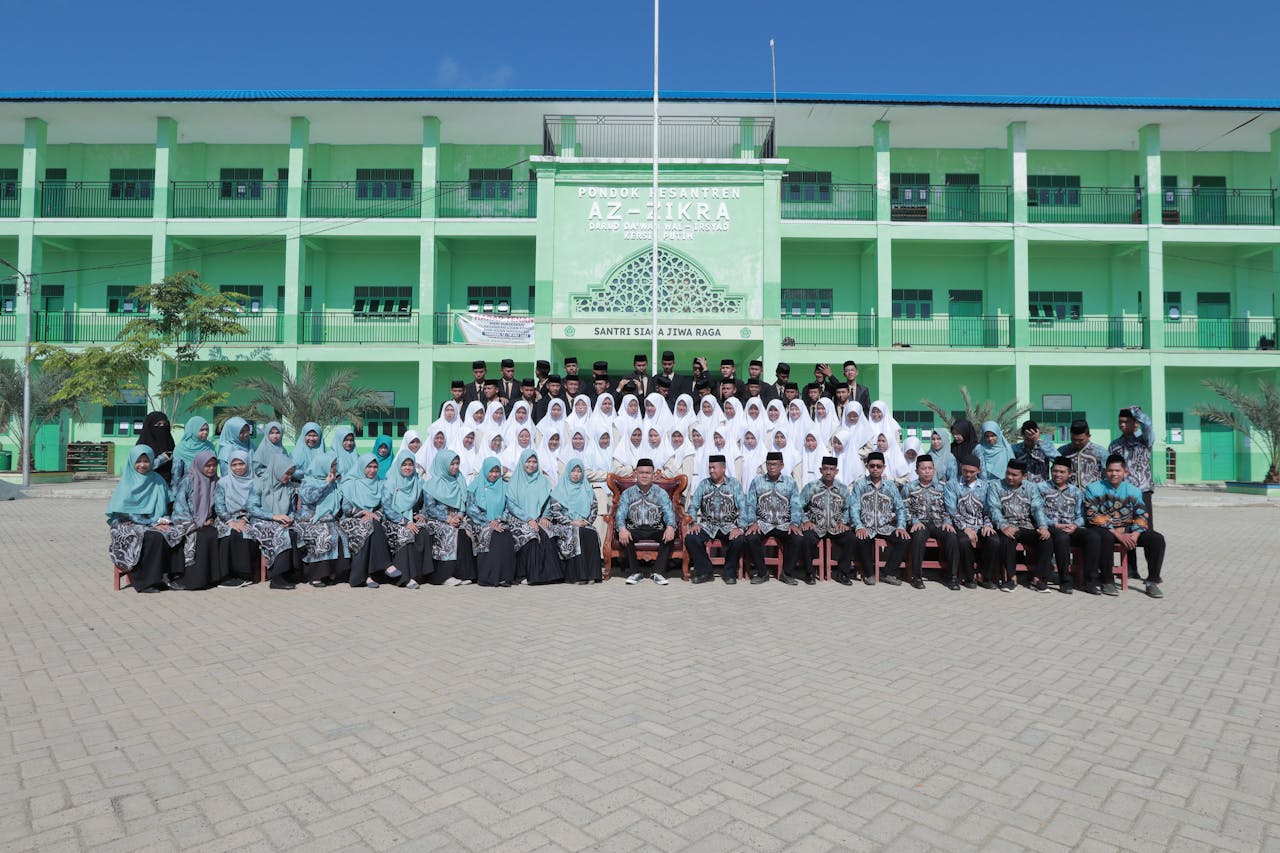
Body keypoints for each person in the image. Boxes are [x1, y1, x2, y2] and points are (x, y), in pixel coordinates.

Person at [1085, 454, 1166, 599]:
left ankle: (1152, 581)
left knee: (1157, 539)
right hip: (1106, 529)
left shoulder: (1134, 491)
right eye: (1110, 470)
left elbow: (1142, 515)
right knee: (1104, 536)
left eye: (1118, 471)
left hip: (1128, 530)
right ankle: (1107, 581)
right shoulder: (1093, 488)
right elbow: (1092, 515)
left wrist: (1135, 534)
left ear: (1125, 472)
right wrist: (1117, 534)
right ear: (1105, 471)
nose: (1114, 474)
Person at [107, 445, 183, 594]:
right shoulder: (127, 481)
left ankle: (170, 577)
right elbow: (126, 513)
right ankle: (145, 582)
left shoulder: (157, 479)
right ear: (132, 462)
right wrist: (152, 524)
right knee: (152, 537)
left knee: (176, 531)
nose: (142, 465)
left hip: (153, 521)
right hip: (126, 524)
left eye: (146, 461)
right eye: (139, 461)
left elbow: (165, 506)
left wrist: (163, 521)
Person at [1039, 457, 1107, 595]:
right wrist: (1056, 525)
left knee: (1093, 536)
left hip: (1072, 527)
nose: (1058, 474)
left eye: (1062, 472)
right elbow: (1038, 512)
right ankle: (1065, 580)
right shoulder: (1041, 488)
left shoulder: (1076, 491)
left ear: (1069, 474)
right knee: (1062, 538)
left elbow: (1082, 515)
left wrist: (1075, 525)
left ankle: (1090, 581)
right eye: (1055, 471)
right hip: (1052, 527)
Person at [985, 459, 1053, 593]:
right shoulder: (996, 486)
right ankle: (1011, 579)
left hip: (1027, 526)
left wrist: (1043, 526)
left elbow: (1037, 508)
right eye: (1008, 473)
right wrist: (1003, 526)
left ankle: (1037, 579)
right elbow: (994, 509)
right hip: (1007, 525)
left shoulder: (1031, 487)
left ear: (1024, 476)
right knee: (1006, 539)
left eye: (1014, 475)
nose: (1010, 477)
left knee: (1047, 540)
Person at [338, 453, 405, 588]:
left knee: (372, 525)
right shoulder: (350, 484)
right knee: (368, 527)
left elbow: (384, 506)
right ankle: (385, 566)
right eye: (369, 467)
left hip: (373, 518)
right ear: (362, 467)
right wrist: (363, 512)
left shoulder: (380, 483)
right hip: (351, 519)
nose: (372, 470)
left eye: (375, 467)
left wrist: (375, 514)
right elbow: (346, 508)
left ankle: (368, 576)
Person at [743, 451, 805, 585]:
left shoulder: (790, 482)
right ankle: (762, 573)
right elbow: (750, 504)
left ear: (782, 465)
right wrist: (752, 522)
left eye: (775, 464)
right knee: (751, 537)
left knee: (797, 538)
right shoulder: (757, 481)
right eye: (769, 464)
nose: (771, 467)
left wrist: (794, 523)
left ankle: (786, 573)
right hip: (763, 523)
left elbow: (796, 505)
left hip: (784, 523)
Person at [685, 453, 748, 584]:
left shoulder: (734, 484)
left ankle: (729, 573)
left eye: (714, 467)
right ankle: (705, 572)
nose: (711, 470)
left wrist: (741, 528)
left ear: (723, 468)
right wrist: (694, 523)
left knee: (739, 540)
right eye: (710, 468)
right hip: (707, 525)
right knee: (691, 538)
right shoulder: (704, 484)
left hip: (728, 525)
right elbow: (693, 506)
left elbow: (743, 508)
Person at [849, 451, 910, 586]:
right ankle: (869, 574)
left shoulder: (890, 486)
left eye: (878, 466)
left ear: (884, 467)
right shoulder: (860, 485)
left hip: (885, 526)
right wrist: (859, 526)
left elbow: (900, 508)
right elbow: (854, 508)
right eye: (872, 466)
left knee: (904, 540)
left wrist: (900, 526)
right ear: (867, 466)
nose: (875, 469)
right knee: (860, 538)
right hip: (867, 525)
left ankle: (887, 573)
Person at [900, 454, 960, 590]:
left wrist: (946, 521)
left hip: (938, 523)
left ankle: (953, 577)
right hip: (919, 522)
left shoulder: (942, 487)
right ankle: (917, 577)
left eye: (930, 468)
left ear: (934, 470)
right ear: (917, 471)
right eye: (923, 469)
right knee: (919, 535)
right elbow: (904, 509)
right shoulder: (909, 488)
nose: (927, 471)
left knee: (952, 536)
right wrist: (914, 521)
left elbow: (948, 507)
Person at [505, 450, 564, 585]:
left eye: (534, 462)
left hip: (539, 517)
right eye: (528, 461)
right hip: (518, 518)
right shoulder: (515, 481)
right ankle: (525, 575)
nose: (531, 465)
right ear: (522, 463)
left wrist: (546, 517)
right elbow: (512, 505)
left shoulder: (544, 481)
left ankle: (550, 575)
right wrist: (528, 519)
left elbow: (550, 502)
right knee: (530, 534)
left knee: (548, 533)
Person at [614, 458, 676, 585]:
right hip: (634, 528)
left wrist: (670, 526)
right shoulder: (627, 493)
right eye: (641, 472)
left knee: (669, 536)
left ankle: (657, 572)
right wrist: (622, 528)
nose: (644, 475)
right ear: (636, 473)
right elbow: (620, 513)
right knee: (625, 536)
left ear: (653, 475)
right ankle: (636, 572)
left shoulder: (661, 492)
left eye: (648, 473)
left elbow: (669, 511)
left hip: (655, 528)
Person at [421, 450, 477, 586]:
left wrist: (459, 515)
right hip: (436, 519)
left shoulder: (459, 480)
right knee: (448, 532)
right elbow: (429, 508)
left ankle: (463, 573)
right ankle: (443, 576)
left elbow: (464, 503)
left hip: (456, 517)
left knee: (465, 532)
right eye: (452, 464)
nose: (455, 467)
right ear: (443, 464)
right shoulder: (431, 484)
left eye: (457, 463)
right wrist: (447, 519)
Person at [247, 454, 303, 589]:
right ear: (277, 469)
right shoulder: (259, 483)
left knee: (297, 531)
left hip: (281, 520)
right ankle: (277, 577)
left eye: (291, 474)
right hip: (261, 521)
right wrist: (274, 516)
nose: (289, 477)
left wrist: (290, 518)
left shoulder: (289, 487)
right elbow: (251, 508)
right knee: (281, 534)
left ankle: (292, 572)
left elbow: (290, 509)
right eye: (287, 474)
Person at [799, 455, 856, 585]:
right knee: (806, 538)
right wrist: (805, 521)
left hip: (836, 527)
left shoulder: (842, 488)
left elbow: (848, 508)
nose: (828, 472)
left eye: (831, 469)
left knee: (851, 538)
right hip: (816, 526)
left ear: (836, 471)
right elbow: (798, 506)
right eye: (825, 469)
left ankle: (842, 573)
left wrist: (844, 522)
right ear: (820, 470)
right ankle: (809, 573)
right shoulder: (811, 487)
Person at [170, 449, 222, 590]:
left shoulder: (216, 482)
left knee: (215, 533)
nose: (211, 469)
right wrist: (196, 523)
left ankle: (211, 578)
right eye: (207, 465)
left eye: (213, 465)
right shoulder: (188, 481)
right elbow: (180, 506)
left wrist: (211, 519)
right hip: (185, 521)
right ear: (199, 465)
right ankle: (191, 580)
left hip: (206, 521)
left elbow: (218, 506)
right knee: (200, 536)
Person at [944, 454, 998, 588]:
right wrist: (965, 528)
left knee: (994, 540)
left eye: (972, 472)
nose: (968, 474)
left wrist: (987, 525)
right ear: (961, 468)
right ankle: (969, 577)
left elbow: (989, 509)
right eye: (965, 471)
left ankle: (984, 577)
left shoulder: (986, 486)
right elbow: (951, 510)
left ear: (979, 470)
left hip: (980, 524)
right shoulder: (952, 484)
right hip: (960, 524)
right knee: (963, 541)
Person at [383, 450, 433, 588]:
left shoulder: (418, 481)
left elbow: (426, 503)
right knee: (405, 533)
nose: (407, 467)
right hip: (392, 520)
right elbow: (387, 508)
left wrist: (422, 514)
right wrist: (405, 522)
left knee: (423, 530)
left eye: (410, 464)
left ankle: (419, 574)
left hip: (411, 517)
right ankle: (403, 578)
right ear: (399, 465)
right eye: (404, 464)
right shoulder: (390, 482)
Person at [548, 459, 603, 584]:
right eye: (573, 471)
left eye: (579, 471)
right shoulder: (559, 490)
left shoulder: (587, 489)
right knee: (577, 533)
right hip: (565, 525)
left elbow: (594, 509)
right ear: (568, 472)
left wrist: (586, 522)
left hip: (584, 523)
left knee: (591, 533)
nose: (576, 474)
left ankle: (592, 575)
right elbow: (556, 512)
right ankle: (579, 575)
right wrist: (572, 522)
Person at [296, 452, 346, 586]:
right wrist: (325, 484)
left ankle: (333, 572)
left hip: (328, 518)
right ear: (322, 466)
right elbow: (309, 498)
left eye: (335, 465)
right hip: (309, 519)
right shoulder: (308, 481)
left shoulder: (334, 481)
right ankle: (315, 575)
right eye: (332, 465)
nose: (334, 468)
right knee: (325, 533)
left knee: (340, 533)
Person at [213, 448, 261, 588]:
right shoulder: (223, 482)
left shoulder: (256, 482)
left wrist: (244, 519)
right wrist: (230, 521)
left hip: (250, 517)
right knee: (227, 533)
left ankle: (244, 575)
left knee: (245, 533)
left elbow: (256, 504)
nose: (238, 468)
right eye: (234, 465)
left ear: (248, 464)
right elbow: (219, 505)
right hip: (226, 517)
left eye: (241, 464)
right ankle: (226, 576)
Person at [468, 456, 517, 587]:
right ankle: (489, 577)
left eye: (497, 471)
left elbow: (508, 508)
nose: (494, 475)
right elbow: (471, 510)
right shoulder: (474, 487)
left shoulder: (504, 487)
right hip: (480, 523)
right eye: (491, 471)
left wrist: (499, 520)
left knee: (505, 535)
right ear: (485, 471)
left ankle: (505, 577)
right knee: (494, 536)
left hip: (499, 521)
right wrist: (488, 522)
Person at [1109, 406, 1155, 528]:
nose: (1122, 425)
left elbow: (1148, 425)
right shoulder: (1115, 445)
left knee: (1145, 527)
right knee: (1126, 527)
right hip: (1123, 491)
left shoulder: (1145, 440)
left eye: (1126, 422)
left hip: (1142, 490)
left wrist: (1136, 411)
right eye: (1120, 422)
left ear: (1136, 423)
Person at [1058, 419, 1107, 489]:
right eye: (1073, 439)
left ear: (1089, 436)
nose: (1076, 443)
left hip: (1093, 496)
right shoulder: (1062, 451)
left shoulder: (1100, 452)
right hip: (1069, 495)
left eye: (1080, 440)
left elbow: (1107, 475)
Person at [1013, 419, 1059, 484]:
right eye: (1028, 439)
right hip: (1022, 488)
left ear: (1038, 433)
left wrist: (1037, 441)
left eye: (1032, 439)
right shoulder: (1015, 449)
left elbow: (1060, 460)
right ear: (1022, 435)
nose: (1030, 442)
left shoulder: (1046, 447)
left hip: (1041, 488)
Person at [136, 411, 175, 484]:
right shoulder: (141, 447)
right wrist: (161, 459)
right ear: (149, 427)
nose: (162, 427)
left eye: (165, 424)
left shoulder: (170, 444)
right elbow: (139, 468)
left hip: (168, 486)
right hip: (147, 485)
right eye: (158, 424)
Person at [172, 416, 215, 483]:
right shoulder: (181, 449)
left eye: (207, 429)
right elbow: (176, 476)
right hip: (188, 488)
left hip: (208, 487)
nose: (205, 432)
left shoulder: (210, 446)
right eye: (201, 430)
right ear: (193, 430)